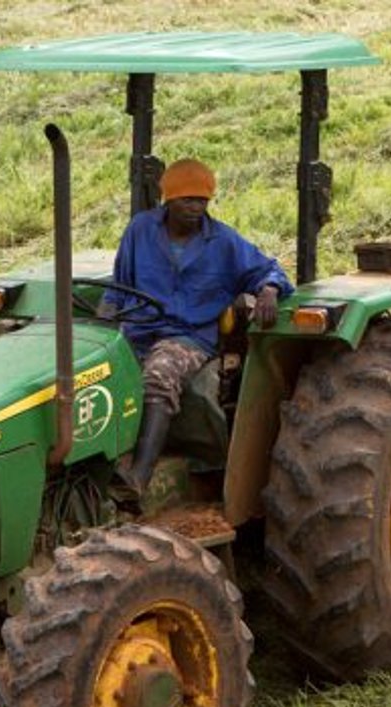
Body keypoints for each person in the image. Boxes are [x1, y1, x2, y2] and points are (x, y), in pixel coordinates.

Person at [99, 158, 294, 504]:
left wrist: (269, 290)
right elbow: (119, 285)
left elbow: (269, 269)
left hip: (188, 336)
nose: (195, 208)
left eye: (202, 201)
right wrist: (105, 319)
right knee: (93, 372)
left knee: (160, 374)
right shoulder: (140, 230)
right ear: (168, 200)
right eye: (187, 200)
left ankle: (138, 477)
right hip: (139, 329)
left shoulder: (223, 241)